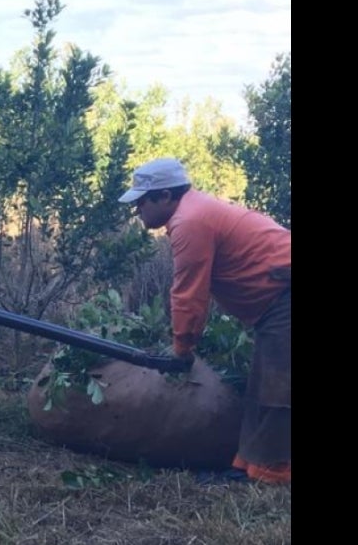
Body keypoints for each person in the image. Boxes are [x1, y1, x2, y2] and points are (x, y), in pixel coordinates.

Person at [119, 157, 290, 484]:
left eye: (141, 202)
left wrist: (182, 348)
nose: (137, 210)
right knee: (263, 379)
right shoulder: (193, 212)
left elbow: (188, 293)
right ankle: (247, 465)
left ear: (165, 196)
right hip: (277, 296)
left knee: (279, 384)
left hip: (285, 289)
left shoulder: (190, 221)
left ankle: (273, 472)